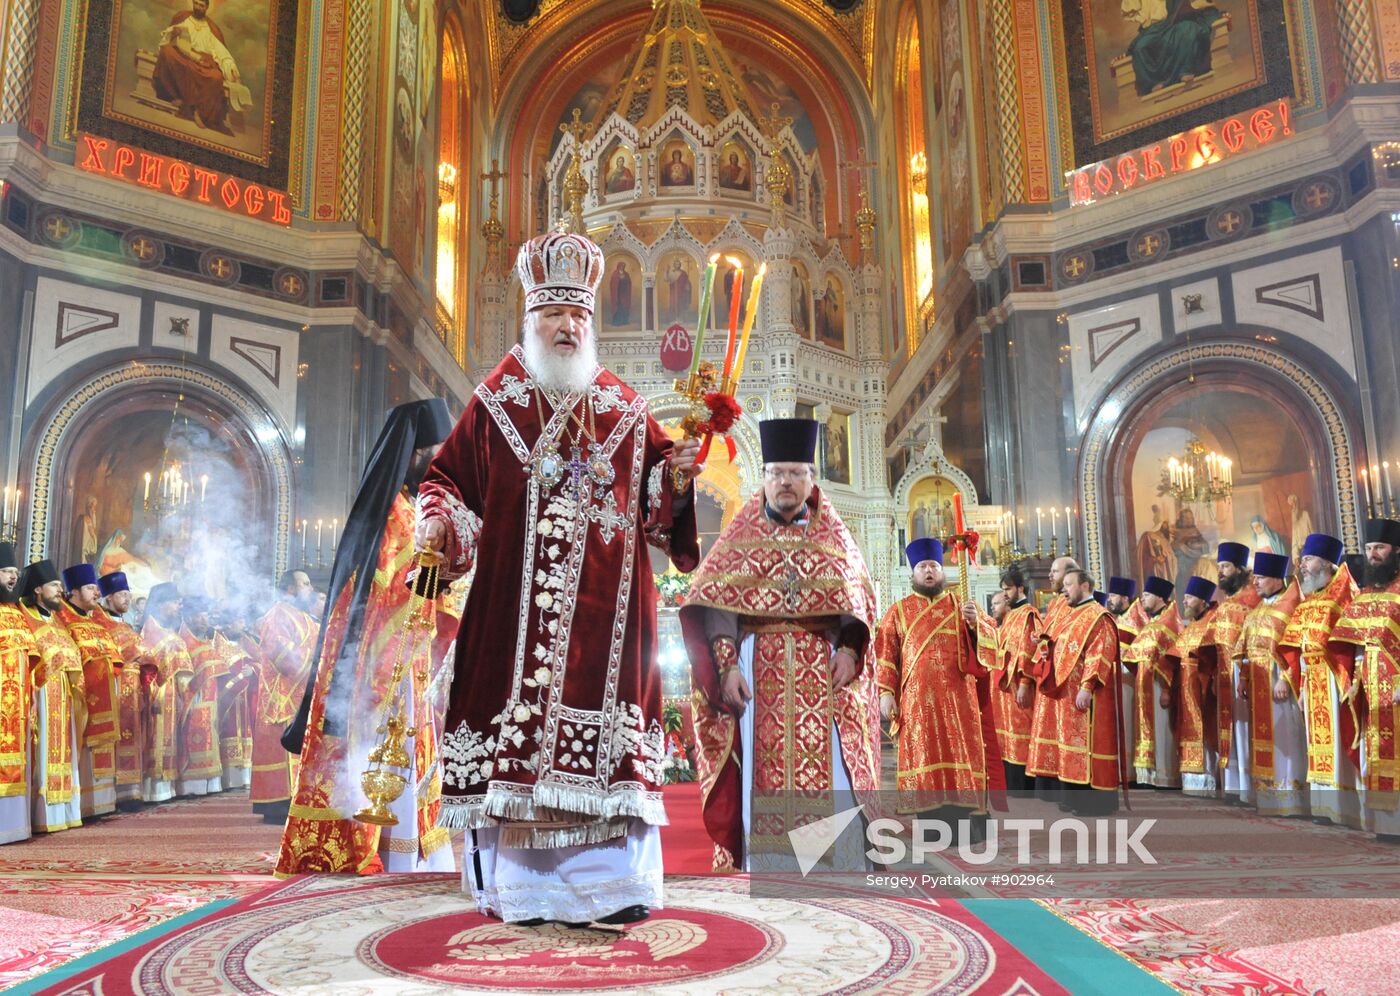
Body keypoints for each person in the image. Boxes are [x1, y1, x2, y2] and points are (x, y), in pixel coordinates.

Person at [414, 231, 701, 926]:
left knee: (607, 750)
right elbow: (447, 482)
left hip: (610, 625)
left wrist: (679, 479)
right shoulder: (494, 404)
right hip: (510, 616)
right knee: (514, 745)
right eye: (554, 316)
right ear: (531, 319)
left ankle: (616, 890)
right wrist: (439, 523)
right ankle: (523, 893)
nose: (568, 326)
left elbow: (660, 512)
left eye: (579, 316)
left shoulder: (626, 410)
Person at [681, 417, 878, 873]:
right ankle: (767, 862)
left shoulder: (836, 541)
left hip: (822, 669)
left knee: (829, 766)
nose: (785, 481)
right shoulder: (740, 538)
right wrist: (728, 667)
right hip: (758, 667)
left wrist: (849, 651)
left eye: (794, 472)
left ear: (810, 481)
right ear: (764, 480)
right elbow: (717, 608)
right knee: (759, 770)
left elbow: (860, 606)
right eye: (776, 473)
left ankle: (832, 862)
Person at [278, 399, 460, 876]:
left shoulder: (411, 508)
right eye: (434, 451)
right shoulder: (394, 514)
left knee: (410, 753)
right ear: (415, 453)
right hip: (380, 663)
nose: (438, 460)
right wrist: (440, 584)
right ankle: (387, 850)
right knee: (384, 751)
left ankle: (413, 851)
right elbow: (385, 591)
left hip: (406, 659)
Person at [873, 538, 1001, 838]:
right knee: (924, 759)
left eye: (933, 566)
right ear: (912, 574)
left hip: (960, 700)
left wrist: (976, 626)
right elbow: (886, 656)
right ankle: (931, 827)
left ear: (943, 572)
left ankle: (969, 825)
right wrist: (886, 693)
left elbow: (993, 646)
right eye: (922, 567)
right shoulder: (898, 612)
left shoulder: (963, 605)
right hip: (918, 705)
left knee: (962, 758)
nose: (928, 571)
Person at [1026, 568, 1123, 814]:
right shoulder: (1069, 613)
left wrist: (1087, 686)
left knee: (1085, 745)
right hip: (1064, 693)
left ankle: (1091, 803)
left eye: (1068, 584)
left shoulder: (1098, 616)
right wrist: (1044, 644)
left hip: (1084, 693)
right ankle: (1071, 799)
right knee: (1068, 745)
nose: (1063, 589)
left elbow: (1100, 653)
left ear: (1085, 586)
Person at [1279, 533, 1360, 827]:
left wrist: (1352, 679)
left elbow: (1353, 642)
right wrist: (1299, 684)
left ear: (1326, 563)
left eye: (1308, 559)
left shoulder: (1344, 596)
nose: (1302, 565)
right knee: (1317, 745)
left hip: (1335, 678)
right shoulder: (1309, 600)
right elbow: (1299, 648)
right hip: (1312, 681)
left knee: (1339, 740)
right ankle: (1325, 807)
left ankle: (1346, 806)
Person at [1331, 519, 1400, 838]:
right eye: (1369, 548)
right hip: (1371, 691)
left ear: (1395, 552)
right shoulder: (1364, 596)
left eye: (1380, 548)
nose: (1373, 555)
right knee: (1377, 753)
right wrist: (1352, 679)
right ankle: (1386, 826)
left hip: (1396, 688)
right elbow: (1349, 644)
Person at [1231, 551, 1307, 817]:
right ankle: (1268, 798)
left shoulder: (1290, 606)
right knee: (1262, 739)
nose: (1256, 583)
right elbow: (1247, 648)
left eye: (1261, 578)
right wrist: (1243, 678)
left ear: (1276, 579)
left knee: (1285, 737)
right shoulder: (1257, 611)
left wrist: (1285, 678)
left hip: (1278, 683)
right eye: (1255, 577)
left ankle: (1290, 799)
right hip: (1257, 684)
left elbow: (1295, 647)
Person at [19, 561, 85, 833]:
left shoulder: (59, 623)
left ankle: (63, 813)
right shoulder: (25, 619)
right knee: (43, 751)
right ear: (37, 589)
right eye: (54, 585)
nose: (60, 590)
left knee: (64, 750)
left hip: (64, 696)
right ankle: (41, 816)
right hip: (42, 694)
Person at [53, 564, 123, 818]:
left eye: (96, 588)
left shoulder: (98, 622)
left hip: (103, 697)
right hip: (77, 698)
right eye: (91, 588)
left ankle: (100, 804)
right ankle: (80, 805)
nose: (97, 593)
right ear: (73, 591)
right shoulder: (62, 618)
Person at [251, 571, 318, 823]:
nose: (310, 588)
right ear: (290, 588)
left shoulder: (307, 618)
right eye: (305, 583)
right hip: (281, 695)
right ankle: (278, 805)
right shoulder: (278, 613)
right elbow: (282, 652)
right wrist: (316, 664)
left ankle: (299, 800)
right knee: (281, 747)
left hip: (303, 693)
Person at [1207, 543, 1261, 805]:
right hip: (1226, 673)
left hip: (1246, 671)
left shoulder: (1253, 599)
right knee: (1231, 728)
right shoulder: (1226, 602)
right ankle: (1234, 785)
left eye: (1226, 567)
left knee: (1246, 728)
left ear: (1240, 569)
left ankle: (1250, 786)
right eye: (1219, 568)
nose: (1221, 573)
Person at [152, 0, 251, 137]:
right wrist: (175, 32)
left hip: (203, 61)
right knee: (167, 51)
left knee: (216, 77)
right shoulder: (183, 18)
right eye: (196, 3)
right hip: (185, 55)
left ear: (207, 7)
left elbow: (222, 53)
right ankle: (179, 98)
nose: (198, 7)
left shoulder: (211, 28)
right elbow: (169, 36)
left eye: (201, 5)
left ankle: (197, 110)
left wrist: (232, 69)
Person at [92, 572, 147, 806]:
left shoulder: (125, 624)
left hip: (132, 689)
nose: (126, 599)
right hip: (114, 685)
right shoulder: (99, 621)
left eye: (128, 594)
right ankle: (113, 792)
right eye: (122, 594)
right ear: (108, 597)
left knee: (131, 736)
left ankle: (130, 791)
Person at [1122, 576, 1181, 788]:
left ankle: (1167, 777)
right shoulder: (1152, 623)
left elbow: (1171, 660)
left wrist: (1166, 689)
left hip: (1159, 686)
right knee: (1149, 730)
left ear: (1159, 597)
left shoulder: (1169, 623)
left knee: (1163, 729)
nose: (1142, 599)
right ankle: (1150, 775)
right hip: (1145, 686)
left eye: (1146, 595)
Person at [1164, 576, 1218, 797]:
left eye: (1189, 598)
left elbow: (1214, 656)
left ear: (1203, 601)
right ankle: (1193, 782)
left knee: (1206, 730)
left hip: (1202, 687)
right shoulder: (1191, 626)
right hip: (1185, 690)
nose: (1184, 602)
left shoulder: (1212, 622)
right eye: (1184, 597)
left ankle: (1209, 781)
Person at [0, 550, 40, 843]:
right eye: (6, 571)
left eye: (14, 571)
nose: (13, 577)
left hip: (18, 704)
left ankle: (13, 828)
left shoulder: (17, 612)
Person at [140, 583, 191, 803]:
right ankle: (153, 789)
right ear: (160, 604)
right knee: (154, 739)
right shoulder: (148, 631)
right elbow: (147, 664)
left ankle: (167, 787)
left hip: (172, 693)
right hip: (155, 693)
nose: (178, 606)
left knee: (171, 737)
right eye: (174, 602)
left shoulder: (170, 632)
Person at [993, 566, 1041, 794]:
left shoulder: (1029, 615)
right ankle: (1010, 783)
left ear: (1020, 588)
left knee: (1022, 730)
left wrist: (1024, 684)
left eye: (1008, 589)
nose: (1004, 594)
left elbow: (1029, 650)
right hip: (1005, 686)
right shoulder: (1010, 615)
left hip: (1019, 686)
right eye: (1002, 590)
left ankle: (1024, 785)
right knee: (1006, 732)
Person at [177, 596, 226, 796]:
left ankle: (212, 784)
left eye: (206, 615)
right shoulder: (183, 642)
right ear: (189, 617)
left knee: (211, 737)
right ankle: (192, 787)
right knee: (194, 737)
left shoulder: (209, 640)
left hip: (211, 701)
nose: (204, 620)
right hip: (193, 700)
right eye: (199, 616)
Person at [212, 608, 255, 792]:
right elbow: (217, 672)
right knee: (229, 731)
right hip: (229, 700)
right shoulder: (217, 644)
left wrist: (253, 671)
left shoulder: (246, 642)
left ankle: (245, 777)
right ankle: (230, 779)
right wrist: (237, 680)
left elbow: (259, 661)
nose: (243, 625)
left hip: (246, 698)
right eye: (239, 621)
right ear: (230, 624)